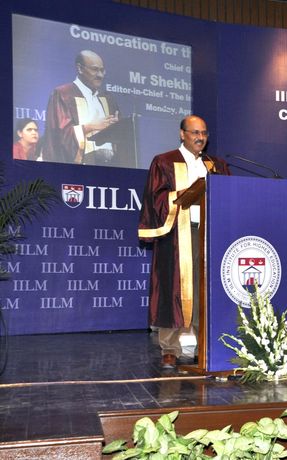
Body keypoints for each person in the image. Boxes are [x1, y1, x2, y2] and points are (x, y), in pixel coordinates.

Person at [138, 115, 230, 369]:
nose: (200, 137)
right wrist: (184, 195)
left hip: (210, 234)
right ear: (182, 134)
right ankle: (170, 349)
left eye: (204, 133)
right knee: (172, 290)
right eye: (194, 132)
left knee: (207, 292)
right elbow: (154, 198)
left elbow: (230, 196)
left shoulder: (216, 165)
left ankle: (206, 346)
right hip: (177, 235)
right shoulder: (165, 162)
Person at [44, 50, 121, 165]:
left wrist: (116, 127)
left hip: (110, 167)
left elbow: (121, 138)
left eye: (102, 70)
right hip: (80, 167)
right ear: (80, 69)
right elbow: (59, 136)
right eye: (95, 70)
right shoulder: (63, 94)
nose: (100, 75)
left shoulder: (108, 99)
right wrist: (91, 126)